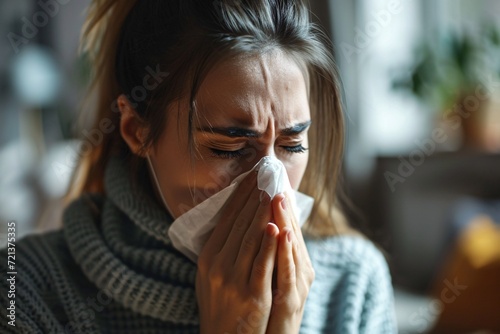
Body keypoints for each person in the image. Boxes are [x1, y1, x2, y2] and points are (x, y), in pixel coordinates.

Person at [0, 0, 396, 333]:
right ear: (137, 130)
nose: (271, 184)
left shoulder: (354, 282)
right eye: (228, 147)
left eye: (292, 144)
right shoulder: (24, 287)